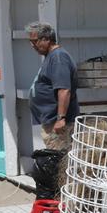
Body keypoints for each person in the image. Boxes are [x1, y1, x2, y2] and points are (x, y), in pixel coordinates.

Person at [26, 22, 79, 152]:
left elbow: (64, 90)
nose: (32, 45)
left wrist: (61, 119)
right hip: (51, 121)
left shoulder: (58, 58)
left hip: (58, 123)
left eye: (35, 41)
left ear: (47, 39)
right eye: (30, 42)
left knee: (59, 159)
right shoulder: (51, 57)